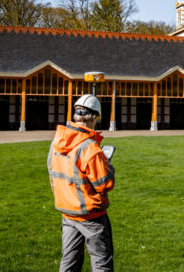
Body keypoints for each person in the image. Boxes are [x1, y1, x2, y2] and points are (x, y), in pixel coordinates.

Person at [47, 94, 115, 272]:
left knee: (69, 262)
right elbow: (104, 184)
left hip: (67, 213)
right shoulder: (90, 148)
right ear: (93, 117)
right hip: (91, 216)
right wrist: (107, 165)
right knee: (101, 263)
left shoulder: (56, 143)